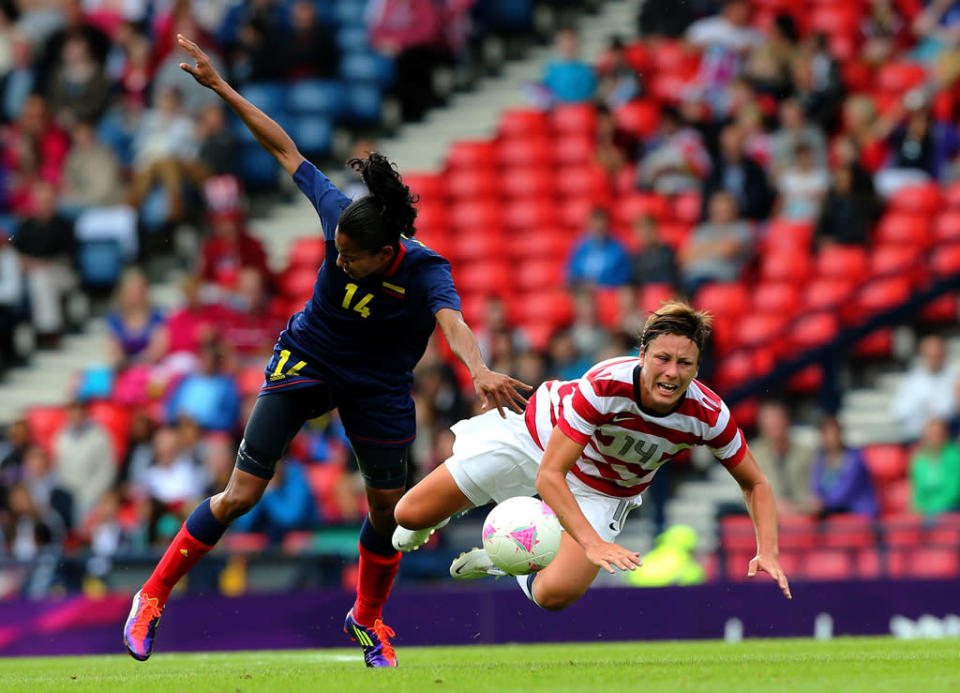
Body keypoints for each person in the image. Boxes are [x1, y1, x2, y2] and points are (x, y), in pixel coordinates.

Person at [122, 34, 528, 669]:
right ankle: (151, 595)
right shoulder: (341, 213)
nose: (337, 260)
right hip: (307, 359)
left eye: (348, 257)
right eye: (335, 250)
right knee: (240, 494)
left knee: (390, 513)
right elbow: (284, 147)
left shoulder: (424, 270)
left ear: (382, 250)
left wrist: (477, 369)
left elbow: (451, 321)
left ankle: (366, 619)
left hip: (380, 385)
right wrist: (223, 88)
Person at [392, 303, 792, 613]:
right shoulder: (606, 384)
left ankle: (503, 557)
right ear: (642, 354)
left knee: (554, 596)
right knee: (407, 514)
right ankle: (436, 520)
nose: (671, 372)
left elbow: (754, 481)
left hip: (605, 488)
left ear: (697, 367)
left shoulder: (709, 415)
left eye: (684, 363)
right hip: (539, 440)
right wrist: (592, 544)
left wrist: (768, 548)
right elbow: (551, 473)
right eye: (662, 359)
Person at [809, 416, 878, 517]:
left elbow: (845, 491)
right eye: (826, 434)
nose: (830, 438)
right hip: (832, 514)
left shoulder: (855, 458)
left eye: (833, 433)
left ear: (840, 434)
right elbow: (816, 488)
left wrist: (823, 503)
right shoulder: (820, 460)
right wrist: (815, 502)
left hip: (858, 514)